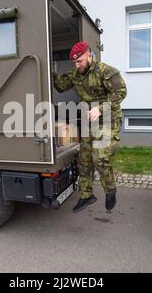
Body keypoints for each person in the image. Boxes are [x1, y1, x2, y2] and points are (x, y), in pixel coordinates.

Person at [53, 41, 127, 213]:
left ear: (88, 55)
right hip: (89, 122)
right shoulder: (76, 73)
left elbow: (120, 92)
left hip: (107, 119)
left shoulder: (106, 71)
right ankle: (86, 195)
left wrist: (100, 109)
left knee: (99, 158)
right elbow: (61, 86)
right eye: (74, 63)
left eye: (79, 61)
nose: (77, 65)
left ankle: (110, 190)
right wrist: (48, 70)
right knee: (84, 160)